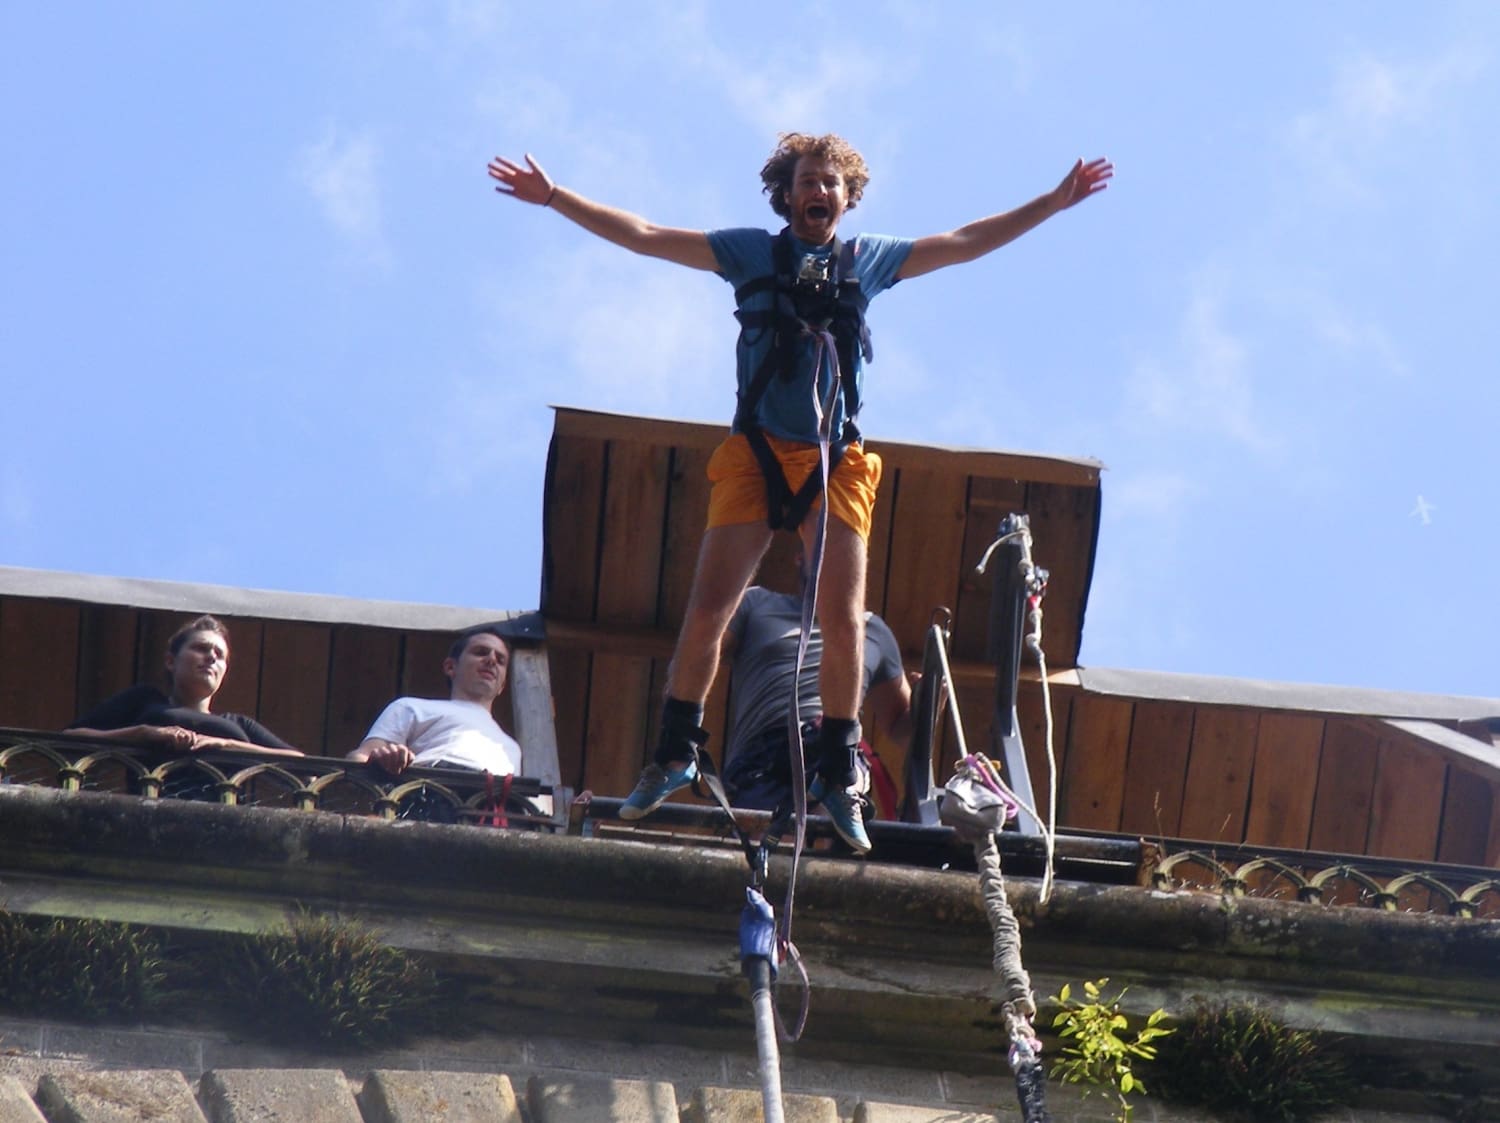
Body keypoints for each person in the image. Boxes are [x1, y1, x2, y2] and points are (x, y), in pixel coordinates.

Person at [489, 133, 1110, 853]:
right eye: (807, 181)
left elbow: (965, 241)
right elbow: (649, 236)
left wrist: (1053, 202)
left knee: (843, 618)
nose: (819, 191)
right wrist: (556, 196)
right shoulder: (753, 252)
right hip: (756, 453)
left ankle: (837, 764)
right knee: (709, 613)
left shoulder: (865, 261)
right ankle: (675, 748)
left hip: (834, 459)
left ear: (847, 199)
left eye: (831, 183)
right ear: (787, 195)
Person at [720, 583, 912, 823]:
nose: (829, 559)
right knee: (765, 839)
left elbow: (900, 726)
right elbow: (708, 644)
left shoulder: (874, 629)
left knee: (836, 800)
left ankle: (829, 834)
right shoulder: (756, 604)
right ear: (799, 557)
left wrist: (929, 706)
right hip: (761, 755)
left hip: (836, 748)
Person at [68, 614, 303, 757]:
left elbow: (301, 765)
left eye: (219, 655)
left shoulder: (238, 724)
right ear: (171, 661)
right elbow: (71, 738)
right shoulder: (144, 700)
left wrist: (228, 744)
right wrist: (144, 732)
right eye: (201, 648)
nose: (211, 657)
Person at [347, 625, 521, 777]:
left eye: (501, 660)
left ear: (502, 686)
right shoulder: (410, 708)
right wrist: (379, 762)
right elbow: (359, 759)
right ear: (451, 667)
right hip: (430, 796)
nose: (491, 660)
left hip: (492, 806)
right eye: (480, 652)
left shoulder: (512, 748)